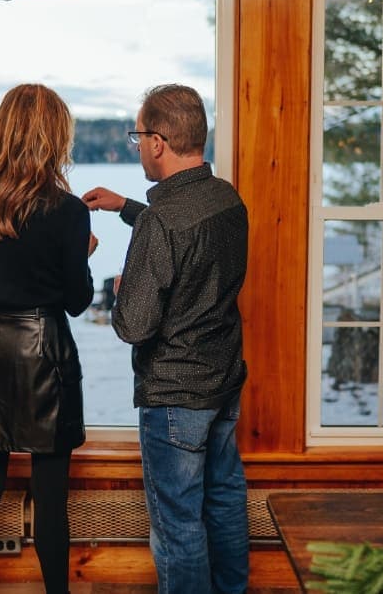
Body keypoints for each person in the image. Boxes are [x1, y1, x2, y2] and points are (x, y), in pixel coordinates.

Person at [82, 84, 249, 594]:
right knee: (222, 500)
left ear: (157, 142)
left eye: (138, 138)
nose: (138, 148)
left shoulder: (161, 223)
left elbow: (133, 326)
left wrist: (119, 290)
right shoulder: (225, 197)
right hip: (224, 387)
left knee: (177, 525)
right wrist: (126, 206)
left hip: (175, 398)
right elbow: (184, 229)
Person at [0, 83, 98, 594]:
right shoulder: (67, 210)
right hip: (44, 352)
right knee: (51, 490)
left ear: (4, 130)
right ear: (56, 136)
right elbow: (78, 301)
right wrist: (82, 254)